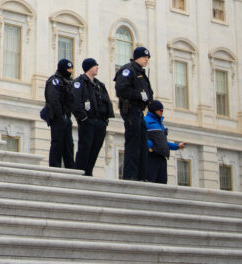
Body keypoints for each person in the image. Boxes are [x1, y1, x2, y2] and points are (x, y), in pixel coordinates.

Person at [115, 46, 154, 181]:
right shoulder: (128, 70)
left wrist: (149, 100)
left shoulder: (142, 73)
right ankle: (130, 174)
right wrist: (139, 96)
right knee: (133, 143)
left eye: (148, 58)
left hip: (140, 112)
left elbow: (149, 91)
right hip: (131, 110)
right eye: (144, 57)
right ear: (137, 57)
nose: (146, 60)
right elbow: (121, 89)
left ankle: (141, 175)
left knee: (143, 143)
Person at [70, 57, 114, 176]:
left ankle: (88, 172)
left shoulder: (99, 85)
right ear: (89, 67)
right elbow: (75, 101)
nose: (97, 67)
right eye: (95, 65)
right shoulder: (79, 82)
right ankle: (79, 172)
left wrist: (105, 120)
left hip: (100, 122)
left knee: (95, 149)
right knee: (85, 147)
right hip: (87, 121)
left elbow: (106, 101)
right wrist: (83, 118)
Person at [44, 58, 76, 168]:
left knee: (69, 144)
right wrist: (60, 115)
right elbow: (53, 99)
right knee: (57, 143)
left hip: (67, 117)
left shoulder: (69, 82)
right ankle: (55, 166)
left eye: (71, 68)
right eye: (68, 68)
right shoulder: (54, 81)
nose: (70, 71)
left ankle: (70, 167)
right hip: (58, 117)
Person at [145, 100, 185, 184]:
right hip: (151, 156)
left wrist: (177, 146)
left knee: (162, 183)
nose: (162, 112)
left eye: (163, 110)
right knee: (150, 182)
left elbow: (163, 143)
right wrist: (151, 145)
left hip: (162, 157)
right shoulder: (145, 120)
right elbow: (141, 138)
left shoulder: (160, 124)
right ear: (154, 110)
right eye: (161, 110)